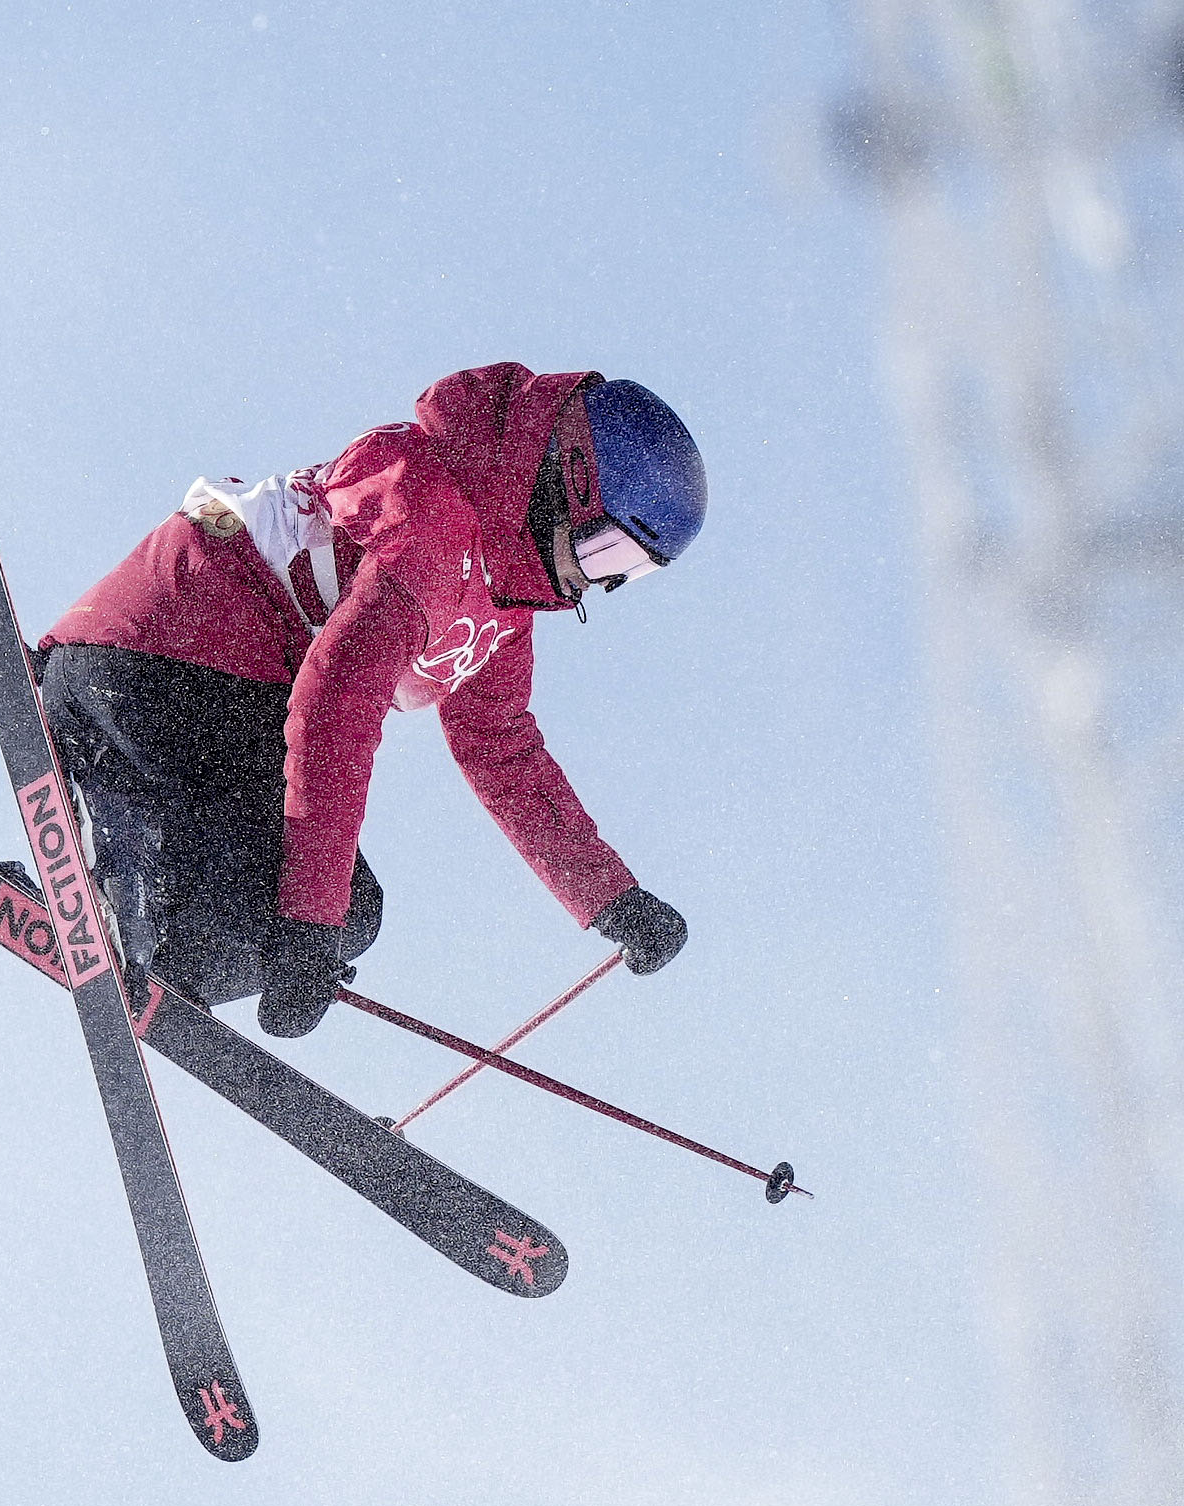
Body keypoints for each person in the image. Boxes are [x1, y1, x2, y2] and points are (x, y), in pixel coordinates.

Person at [35, 362, 705, 1038]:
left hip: (172, 698)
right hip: (156, 672)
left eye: (632, 572)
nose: (600, 583)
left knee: (341, 911)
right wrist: (306, 925)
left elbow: (501, 751)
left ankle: (139, 934)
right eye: (604, 549)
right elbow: (336, 709)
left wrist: (612, 899)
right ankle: (129, 874)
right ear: (567, 479)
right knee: (325, 909)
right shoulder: (434, 516)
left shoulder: (504, 608)